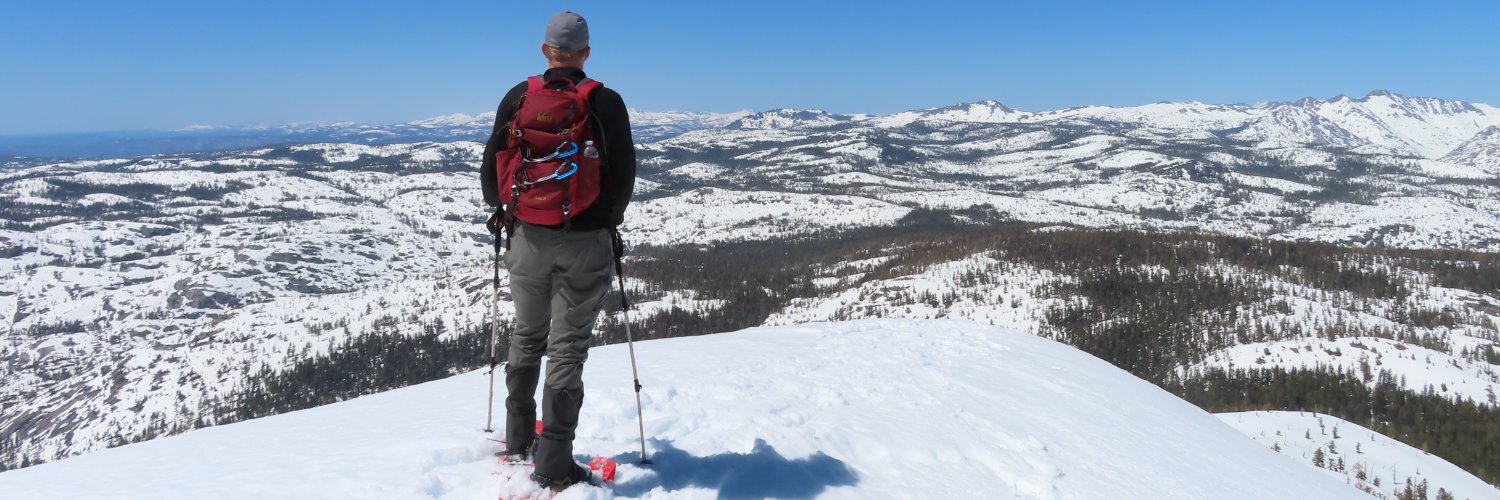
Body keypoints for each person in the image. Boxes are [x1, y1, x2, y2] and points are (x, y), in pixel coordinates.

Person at [479, 10, 636, 490]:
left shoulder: (518, 97)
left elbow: (491, 175)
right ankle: (554, 465)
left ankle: (517, 439)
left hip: (527, 237)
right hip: (585, 242)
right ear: (586, 53)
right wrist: (605, 220)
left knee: (527, 335)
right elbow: (623, 176)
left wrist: (511, 210)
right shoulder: (605, 102)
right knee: (567, 348)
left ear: (544, 50)